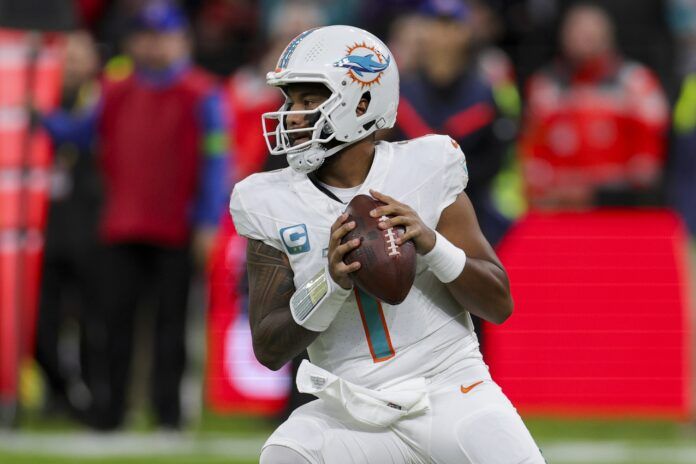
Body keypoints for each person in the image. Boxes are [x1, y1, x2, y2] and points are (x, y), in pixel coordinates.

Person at [229, 25, 545, 463]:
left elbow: (498, 303)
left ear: (361, 102)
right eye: (289, 101)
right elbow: (268, 348)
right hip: (347, 408)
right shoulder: (268, 199)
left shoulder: (429, 165)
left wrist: (432, 245)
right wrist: (330, 283)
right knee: (285, 453)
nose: (293, 115)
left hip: (449, 389)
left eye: (308, 99)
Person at [43, 0, 230, 430]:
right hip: (122, 226)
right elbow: (78, 133)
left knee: (171, 328)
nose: (153, 45)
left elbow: (217, 163)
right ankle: (111, 414)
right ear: (132, 41)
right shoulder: (113, 89)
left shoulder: (202, 94)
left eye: (162, 36)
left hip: (176, 229)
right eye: (145, 36)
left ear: (181, 40)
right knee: (112, 325)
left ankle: (167, 415)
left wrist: (207, 222)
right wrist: (37, 116)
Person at [519, 3, 669, 210]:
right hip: (560, 211)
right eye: (577, 31)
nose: (584, 39)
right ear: (563, 36)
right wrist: (543, 193)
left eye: (591, 32)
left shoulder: (636, 83)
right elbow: (533, 153)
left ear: (608, 36)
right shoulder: (544, 86)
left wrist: (607, 195)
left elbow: (649, 158)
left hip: (621, 210)